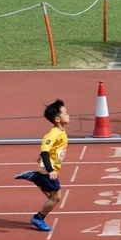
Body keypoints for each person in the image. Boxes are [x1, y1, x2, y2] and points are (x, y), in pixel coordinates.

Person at [15, 99, 70, 232]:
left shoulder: (61, 131)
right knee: (56, 198)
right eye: (65, 114)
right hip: (48, 169)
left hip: (49, 168)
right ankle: (38, 218)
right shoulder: (53, 134)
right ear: (57, 119)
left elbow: (49, 149)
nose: (68, 115)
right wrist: (50, 170)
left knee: (52, 197)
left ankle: (36, 178)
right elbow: (45, 150)